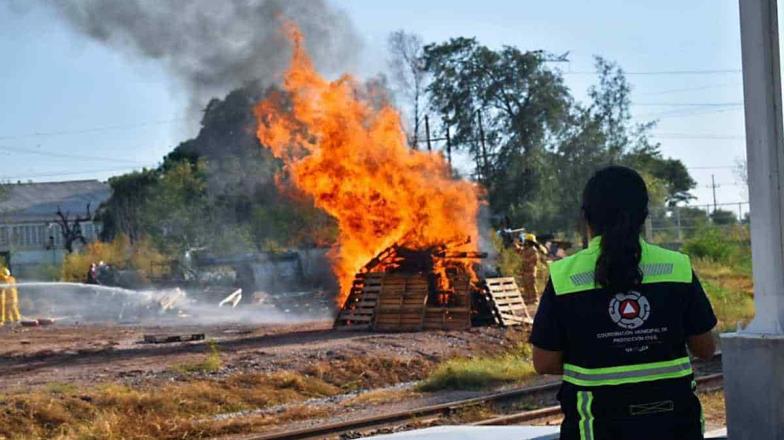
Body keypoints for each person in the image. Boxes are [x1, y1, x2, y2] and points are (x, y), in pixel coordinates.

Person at [529, 166, 717, 440]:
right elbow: (706, 348)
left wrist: (602, 352)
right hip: (675, 426)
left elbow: (544, 362)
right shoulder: (678, 267)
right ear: (643, 217)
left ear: (586, 218)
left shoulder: (564, 276)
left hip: (594, 430)